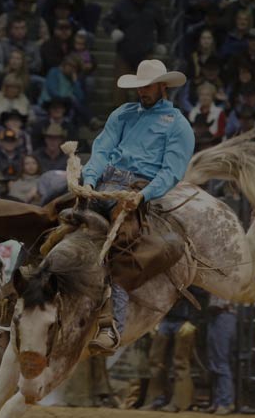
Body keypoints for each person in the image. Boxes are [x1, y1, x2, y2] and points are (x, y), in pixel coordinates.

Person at [81, 59, 194, 354]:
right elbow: (101, 149)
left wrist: (143, 196)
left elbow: (170, 172)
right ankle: (13, 296)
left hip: (138, 188)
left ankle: (111, 326)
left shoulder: (178, 125)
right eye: (140, 86)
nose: (142, 91)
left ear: (162, 86)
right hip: (104, 182)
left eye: (147, 86)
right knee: (54, 215)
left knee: (121, 247)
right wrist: (89, 179)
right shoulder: (124, 113)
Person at [104, 0, 168, 105]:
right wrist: (113, 31)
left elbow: (163, 26)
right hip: (124, 53)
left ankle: (145, 112)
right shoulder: (121, 6)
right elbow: (107, 21)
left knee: (147, 86)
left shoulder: (154, 7)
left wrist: (162, 42)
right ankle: (119, 115)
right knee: (120, 88)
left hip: (146, 54)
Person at [206, 296, 237, 414]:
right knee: (215, 361)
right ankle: (218, 401)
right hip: (216, 315)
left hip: (225, 314)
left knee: (221, 362)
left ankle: (226, 402)